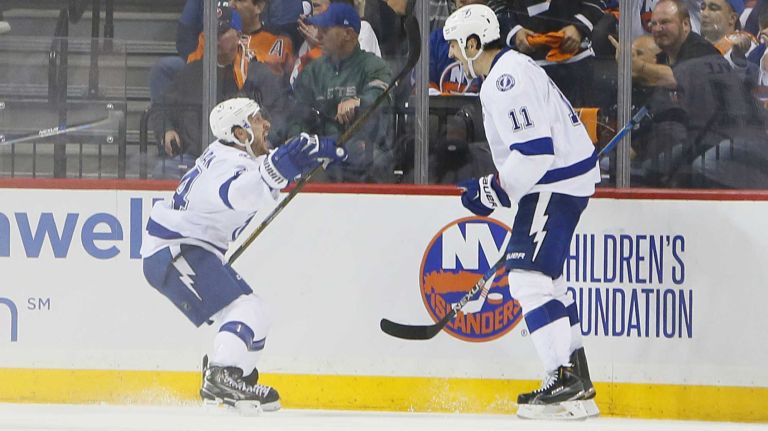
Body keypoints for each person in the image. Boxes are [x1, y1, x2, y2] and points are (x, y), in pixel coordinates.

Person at [443, 4, 599, 420]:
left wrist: (493, 191)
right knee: (551, 281)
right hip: (558, 181)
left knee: (527, 278)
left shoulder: (505, 80)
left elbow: (535, 152)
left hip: (554, 183)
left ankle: (562, 376)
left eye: (457, 47)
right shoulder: (510, 69)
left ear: (474, 43)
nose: (454, 56)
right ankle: (577, 381)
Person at [141, 97, 348, 410]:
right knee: (247, 310)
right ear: (239, 134)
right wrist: (284, 163)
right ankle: (221, 374)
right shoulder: (227, 164)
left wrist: (300, 158)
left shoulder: (230, 155)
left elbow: (260, 174)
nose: (266, 123)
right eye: (256, 119)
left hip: (188, 248)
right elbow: (238, 192)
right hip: (175, 250)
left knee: (257, 313)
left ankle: (239, 378)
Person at [150, 5, 291, 177]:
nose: (215, 39)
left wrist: (264, 141)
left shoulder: (258, 74)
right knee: (163, 171)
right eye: (211, 33)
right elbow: (160, 108)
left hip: (245, 158)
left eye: (222, 33)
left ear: (239, 35)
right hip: (195, 159)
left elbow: (279, 114)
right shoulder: (191, 72)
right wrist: (167, 130)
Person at [289, 2, 392, 181]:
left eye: (326, 29)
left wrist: (359, 102)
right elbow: (298, 115)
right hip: (321, 152)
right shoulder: (313, 70)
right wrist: (295, 142)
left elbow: (382, 96)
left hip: (366, 152)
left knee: (376, 162)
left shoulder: (374, 66)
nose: (319, 34)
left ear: (348, 34)